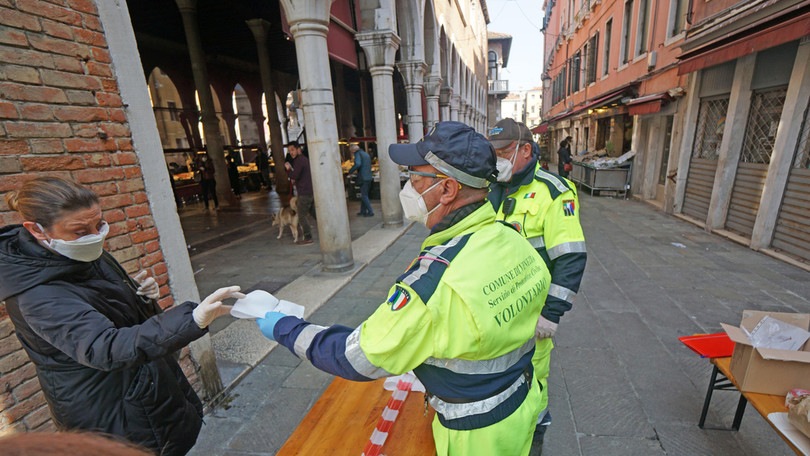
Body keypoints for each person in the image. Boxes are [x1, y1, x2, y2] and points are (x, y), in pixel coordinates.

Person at [257, 122, 552, 455]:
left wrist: (284, 327)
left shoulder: (435, 282)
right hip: (522, 404)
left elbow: (357, 357)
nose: (408, 188)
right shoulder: (512, 239)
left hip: (476, 436)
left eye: (415, 179)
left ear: (447, 189)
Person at [0, 176, 244, 456]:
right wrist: (192, 320)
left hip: (143, 387)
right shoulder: (37, 295)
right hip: (109, 408)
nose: (95, 236)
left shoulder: (78, 251)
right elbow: (105, 346)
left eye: (99, 224)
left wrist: (141, 298)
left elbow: (109, 308)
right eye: (80, 231)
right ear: (37, 230)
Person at [488, 118, 587, 455]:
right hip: (495, 308)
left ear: (526, 150)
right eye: (494, 153)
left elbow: (571, 257)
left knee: (533, 382)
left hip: (533, 315)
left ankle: (535, 437)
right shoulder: (492, 188)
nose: (497, 160)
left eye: (503, 152)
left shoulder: (554, 193)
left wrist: (552, 313)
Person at [284, 140, 314, 245]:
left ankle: (308, 237)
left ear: (298, 149)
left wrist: (288, 169)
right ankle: (329, 229)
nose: (291, 152)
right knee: (314, 213)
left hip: (304, 192)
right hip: (308, 190)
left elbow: (294, 175)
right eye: (289, 151)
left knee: (301, 215)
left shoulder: (299, 160)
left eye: (292, 150)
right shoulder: (303, 159)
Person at [348, 144, 374, 217]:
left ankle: (370, 211)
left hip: (363, 177)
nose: (352, 153)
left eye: (351, 151)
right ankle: (363, 211)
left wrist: (351, 171)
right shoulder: (365, 154)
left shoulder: (357, 154)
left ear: (353, 150)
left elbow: (358, 164)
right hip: (369, 176)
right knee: (364, 194)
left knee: (364, 195)